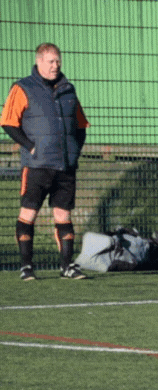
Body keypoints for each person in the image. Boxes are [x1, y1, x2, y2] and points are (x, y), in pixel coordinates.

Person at [2, 43, 90, 281]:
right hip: (37, 165)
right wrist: (31, 147)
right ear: (39, 62)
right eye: (50, 61)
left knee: (64, 217)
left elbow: (81, 126)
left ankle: (67, 266)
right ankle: (26, 267)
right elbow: (9, 122)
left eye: (58, 61)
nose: (55, 66)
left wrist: (74, 151)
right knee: (28, 214)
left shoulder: (69, 89)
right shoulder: (23, 88)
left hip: (65, 167)